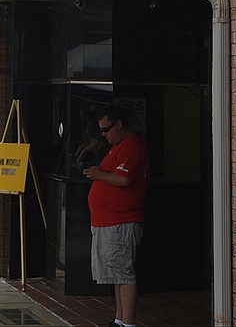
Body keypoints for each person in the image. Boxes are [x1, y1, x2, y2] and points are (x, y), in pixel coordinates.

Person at [83, 105, 148, 327]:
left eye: (107, 129)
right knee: (116, 275)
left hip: (120, 222)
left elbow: (124, 180)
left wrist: (98, 174)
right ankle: (120, 320)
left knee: (123, 273)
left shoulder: (132, 146)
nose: (104, 134)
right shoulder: (118, 145)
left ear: (119, 124)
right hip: (109, 222)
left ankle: (127, 323)